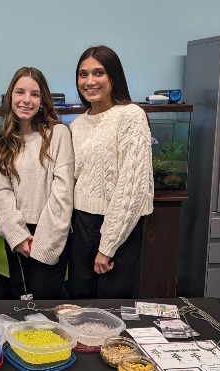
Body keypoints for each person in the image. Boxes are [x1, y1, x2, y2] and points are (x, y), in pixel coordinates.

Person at [67, 45, 154, 299]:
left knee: (111, 308)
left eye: (98, 73)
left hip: (118, 227)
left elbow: (132, 188)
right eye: (83, 74)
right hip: (81, 226)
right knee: (79, 306)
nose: (90, 81)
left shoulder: (131, 116)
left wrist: (108, 246)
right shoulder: (77, 125)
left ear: (113, 76)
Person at [0, 67, 74, 300]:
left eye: (34, 94)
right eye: (20, 92)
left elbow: (63, 192)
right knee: (22, 301)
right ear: (10, 97)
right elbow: (2, 192)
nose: (26, 100)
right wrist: (17, 236)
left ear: (42, 99)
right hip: (18, 233)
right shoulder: (2, 143)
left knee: (45, 301)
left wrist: (44, 242)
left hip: (50, 232)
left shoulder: (58, 134)